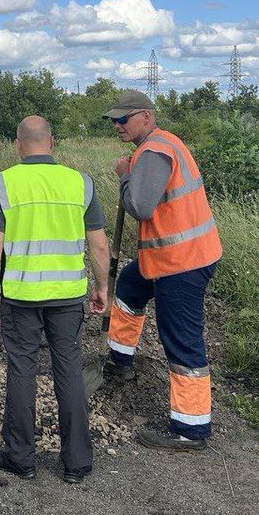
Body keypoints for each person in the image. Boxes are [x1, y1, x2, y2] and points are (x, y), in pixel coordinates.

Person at [0, 116, 111, 483]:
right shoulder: (79, 183)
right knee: (67, 367)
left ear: (18, 144)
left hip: (21, 296)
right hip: (68, 296)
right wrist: (102, 288)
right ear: (52, 142)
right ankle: (77, 463)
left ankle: (21, 458)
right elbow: (99, 243)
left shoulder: (6, 183)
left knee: (22, 369)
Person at [101, 90, 222, 451]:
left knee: (181, 338)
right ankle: (120, 359)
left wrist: (125, 176)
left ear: (147, 117)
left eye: (124, 119)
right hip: (172, 257)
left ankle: (190, 428)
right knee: (129, 286)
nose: (117, 126)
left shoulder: (154, 152)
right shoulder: (160, 145)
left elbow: (140, 206)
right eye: (114, 120)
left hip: (182, 263)